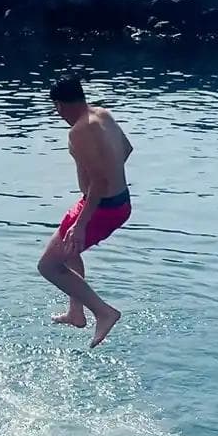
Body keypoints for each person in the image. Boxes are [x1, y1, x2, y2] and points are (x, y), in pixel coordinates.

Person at [39, 74, 133, 347]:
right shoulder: (102, 114)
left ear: (61, 105)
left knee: (48, 266)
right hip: (117, 201)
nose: (58, 115)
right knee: (68, 250)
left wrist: (81, 224)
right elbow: (126, 149)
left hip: (102, 207)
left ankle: (103, 312)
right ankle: (75, 312)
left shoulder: (79, 130)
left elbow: (99, 182)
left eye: (57, 108)